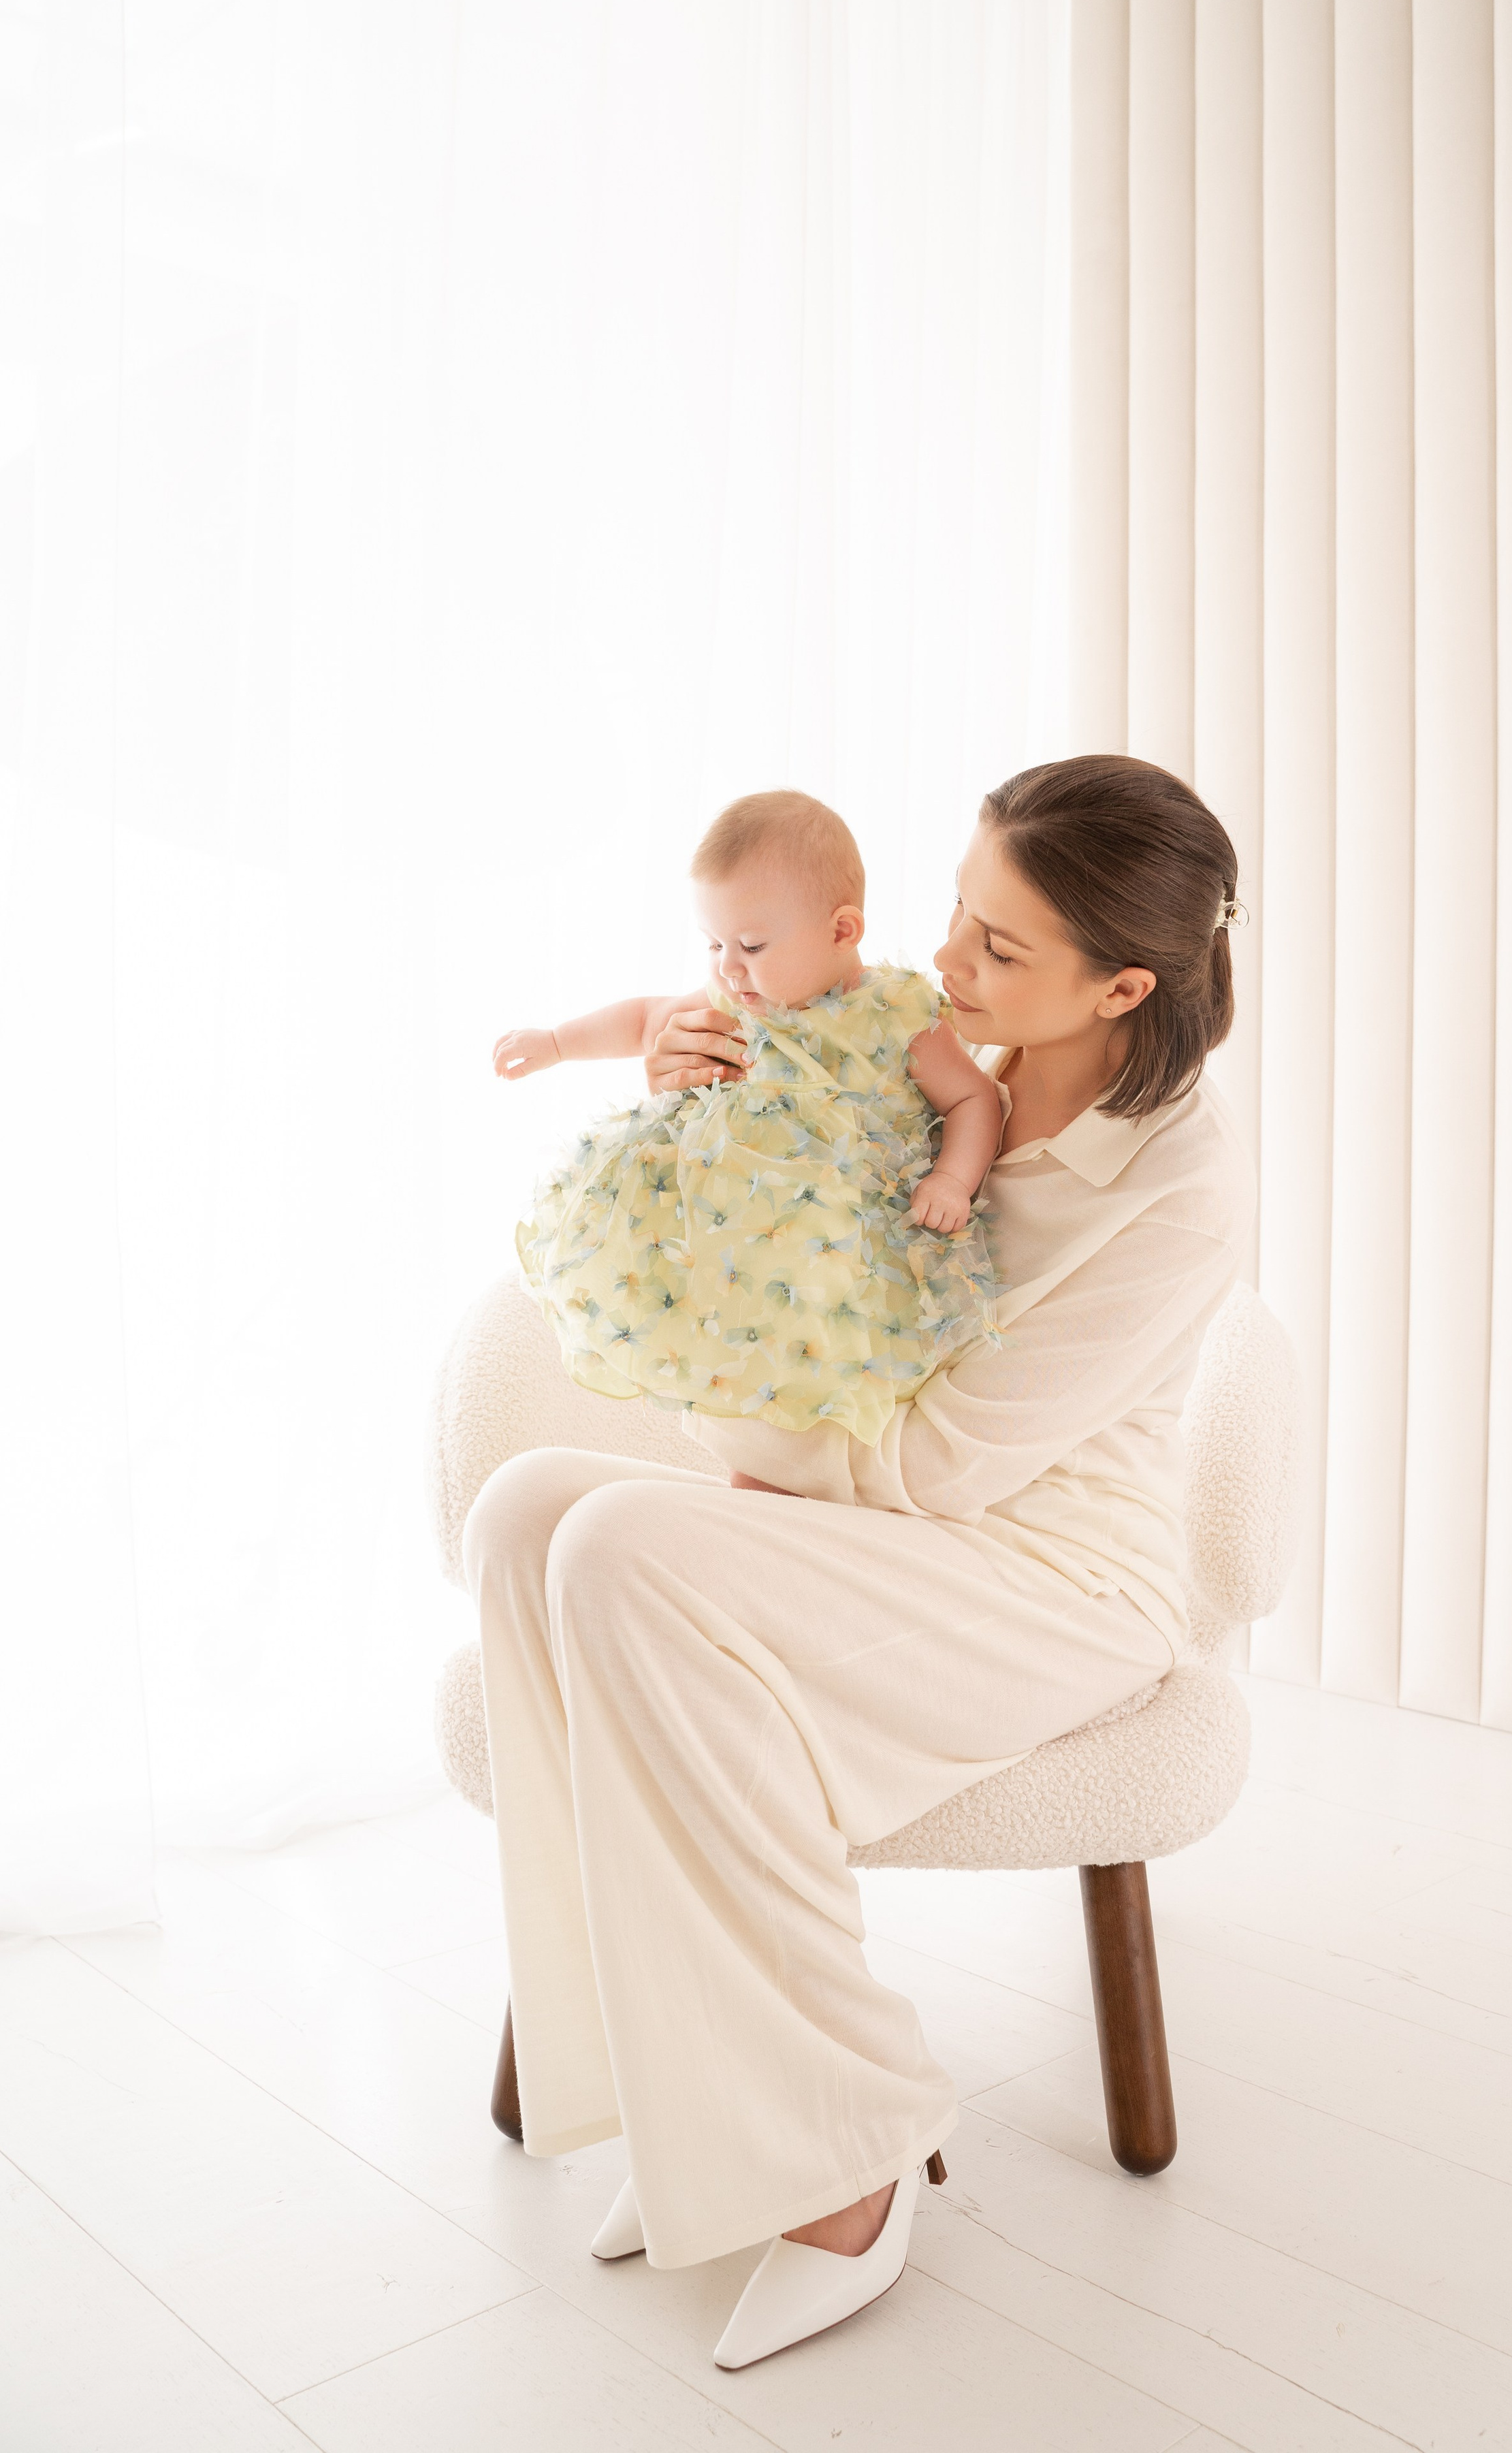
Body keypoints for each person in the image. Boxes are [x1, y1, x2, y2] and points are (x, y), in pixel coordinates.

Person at [465, 752, 1255, 2371]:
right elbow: (775, 1229)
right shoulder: (926, 1036)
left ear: (1122, 984)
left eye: (998, 947)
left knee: (618, 1540)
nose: (947, 958)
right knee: (525, 1512)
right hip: (884, 1523)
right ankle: (682, 2106)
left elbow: (947, 1460)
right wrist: (695, 1095)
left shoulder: (1180, 1180)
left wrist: (727, 1429)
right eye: (957, 912)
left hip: (1048, 1577)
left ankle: (844, 2151)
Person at [490, 788, 1003, 1443]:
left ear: (842, 931)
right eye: (713, 944)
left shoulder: (896, 1014)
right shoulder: (736, 998)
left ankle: (782, 1480)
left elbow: (972, 1099)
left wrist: (953, 1180)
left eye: (752, 946)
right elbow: (647, 1019)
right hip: (727, 1238)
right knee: (730, 1380)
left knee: (813, 1393)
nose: (729, 969)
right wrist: (558, 1043)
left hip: (834, 1246)